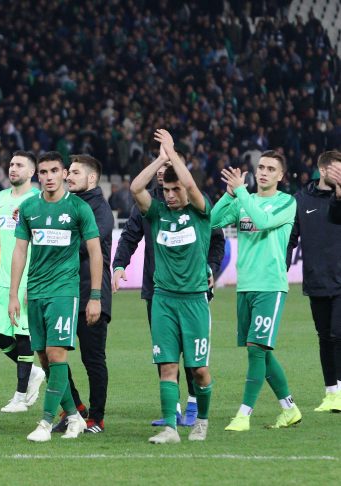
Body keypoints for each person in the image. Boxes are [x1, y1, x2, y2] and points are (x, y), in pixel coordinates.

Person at [113, 153, 225, 427]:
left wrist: (211, 268)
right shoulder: (154, 208)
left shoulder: (199, 206)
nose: (165, 175)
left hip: (194, 293)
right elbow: (129, 232)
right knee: (166, 357)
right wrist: (118, 265)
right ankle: (171, 411)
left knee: (195, 363)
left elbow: (217, 241)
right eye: (164, 182)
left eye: (170, 168)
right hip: (159, 293)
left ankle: (195, 406)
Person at [9, 151, 103, 442]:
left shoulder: (78, 208)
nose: (49, 177)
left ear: (64, 174)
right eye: (43, 172)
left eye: (54, 171)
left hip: (64, 291)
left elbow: (95, 251)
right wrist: (14, 294)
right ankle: (74, 417)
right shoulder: (29, 208)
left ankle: (46, 423)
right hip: (35, 291)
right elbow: (20, 250)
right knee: (45, 359)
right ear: (38, 175)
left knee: (56, 353)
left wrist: (95, 295)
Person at [130, 130, 214, 444]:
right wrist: (161, 159)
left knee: (199, 370)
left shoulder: (201, 212)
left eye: (175, 189)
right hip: (163, 300)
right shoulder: (157, 214)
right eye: (165, 190)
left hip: (194, 301)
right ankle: (170, 428)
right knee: (167, 366)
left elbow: (191, 186)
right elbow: (136, 187)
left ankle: (202, 421)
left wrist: (174, 154)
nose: (170, 195)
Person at [211, 150, 301, 431]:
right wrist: (229, 195)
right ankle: (289, 409)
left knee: (256, 350)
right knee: (262, 351)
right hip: (245, 286)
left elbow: (262, 221)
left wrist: (241, 193)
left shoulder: (287, 202)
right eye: (261, 167)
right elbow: (211, 221)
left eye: (271, 169)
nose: (264, 172)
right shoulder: (243, 200)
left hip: (270, 286)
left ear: (281, 176)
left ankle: (244, 414)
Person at [0, 151, 45, 413]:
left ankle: (20, 397)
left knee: (23, 336)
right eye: (11, 164)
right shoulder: (1, 197)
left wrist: (35, 280)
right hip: (3, 278)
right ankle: (33, 372)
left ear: (31, 172)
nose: (13, 168)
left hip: (28, 277)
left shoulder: (39, 199)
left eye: (19, 165)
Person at [56, 154, 114, 434]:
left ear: (91, 178)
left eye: (75, 173)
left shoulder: (100, 209)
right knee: (51, 355)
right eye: (69, 172)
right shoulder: (67, 205)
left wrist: (54, 237)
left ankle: (97, 418)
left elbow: (86, 246)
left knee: (92, 359)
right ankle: (76, 409)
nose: (68, 177)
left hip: (90, 294)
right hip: (62, 293)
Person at [287, 150, 341, 411]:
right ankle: (331, 392)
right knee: (325, 337)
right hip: (317, 279)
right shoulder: (301, 200)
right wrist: (282, 269)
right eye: (337, 170)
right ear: (323, 170)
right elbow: (291, 238)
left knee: (338, 334)